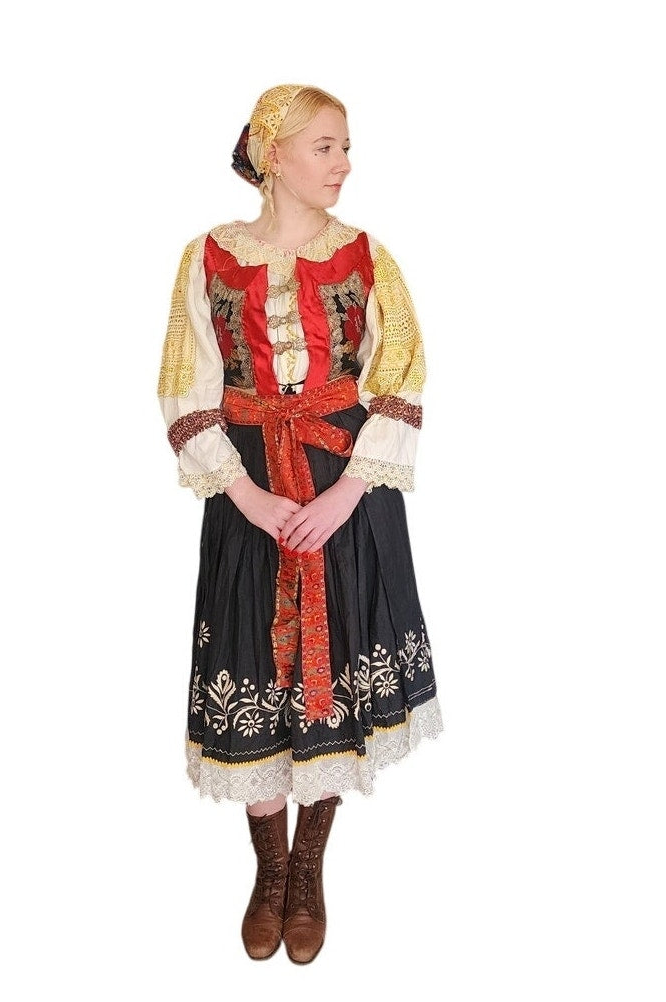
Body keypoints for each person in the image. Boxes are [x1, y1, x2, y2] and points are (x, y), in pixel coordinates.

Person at [157, 83, 443, 964]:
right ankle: (269, 870)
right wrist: (245, 496)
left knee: (338, 665)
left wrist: (346, 494)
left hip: (343, 487)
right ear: (272, 154)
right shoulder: (208, 257)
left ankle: (309, 868)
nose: (344, 164)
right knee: (252, 662)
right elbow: (184, 387)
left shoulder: (366, 256)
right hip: (249, 491)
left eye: (345, 147)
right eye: (326, 146)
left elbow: (401, 376)